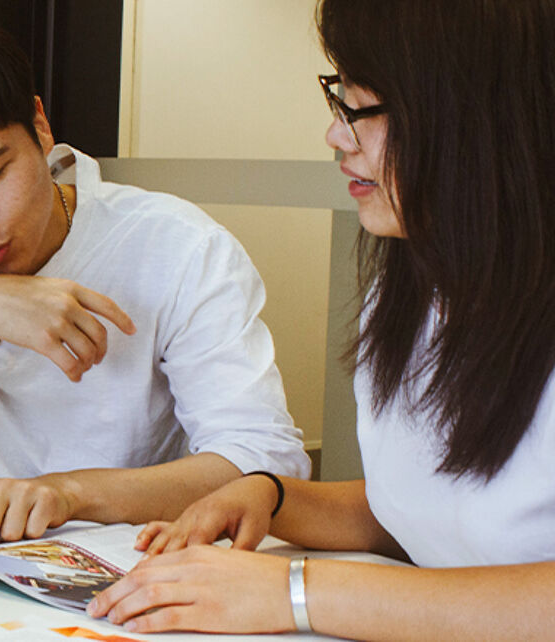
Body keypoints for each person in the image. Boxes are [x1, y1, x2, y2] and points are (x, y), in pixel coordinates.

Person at [88, 0, 555, 638]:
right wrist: (274, 497)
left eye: (360, 107)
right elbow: (438, 512)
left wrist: (298, 591)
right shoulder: (420, 290)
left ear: (475, 118)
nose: (336, 135)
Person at [0, 12, 309, 550]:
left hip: (138, 563)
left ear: (40, 126)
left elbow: (264, 465)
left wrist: (69, 494)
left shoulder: (179, 245)